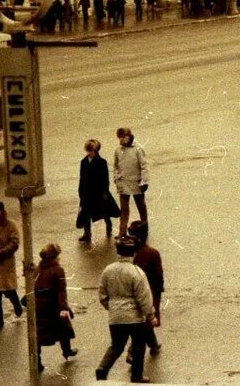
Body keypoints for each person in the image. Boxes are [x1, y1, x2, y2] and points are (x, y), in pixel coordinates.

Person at [95, 235, 155, 383]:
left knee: (116, 345)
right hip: (135, 318)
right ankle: (137, 376)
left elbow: (102, 294)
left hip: (115, 317)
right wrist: (150, 315)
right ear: (133, 253)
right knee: (139, 346)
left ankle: (103, 368)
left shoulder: (108, 271)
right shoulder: (137, 272)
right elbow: (144, 297)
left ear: (118, 252)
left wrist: (112, 307)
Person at [35, 243, 77, 372]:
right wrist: (64, 307)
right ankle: (67, 350)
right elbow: (61, 290)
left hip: (39, 305)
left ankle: (37, 361)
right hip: (53, 305)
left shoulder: (38, 268)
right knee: (64, 327)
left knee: (39, 334)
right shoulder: (58, 269)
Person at [127, 222, 164, 360]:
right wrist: (159, 292)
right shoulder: (152, 253)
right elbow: (158, 275)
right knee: (145, 321)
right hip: (149, 291)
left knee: (143, 320)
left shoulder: (127, 252)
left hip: (131, 292)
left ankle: (153, 344)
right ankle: (132, 352)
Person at [78, 138, 121, 243]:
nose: (89, 153)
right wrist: (80, 191)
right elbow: (82, 178)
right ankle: (87, 233)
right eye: (88, 151)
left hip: (99, 191)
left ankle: (108, 225)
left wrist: (105, 191)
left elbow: (105, 178)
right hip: (87, 192)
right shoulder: (83, 162)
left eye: (91, 151)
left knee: (104, 211)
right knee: (86, 213)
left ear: (96, 151)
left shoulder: (102, 162)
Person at [0, 201, 23, 330]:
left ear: (0, 211)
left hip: (4, 264)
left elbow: (14, 243)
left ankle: (17, 306)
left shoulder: (10, 225)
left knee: (9, 291)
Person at [114, 127, 149, 227]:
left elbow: (144, 166)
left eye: (123, 137)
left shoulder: (138, 149)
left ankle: (144, 226)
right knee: (124, 209)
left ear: (128, 136)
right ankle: (122, 232)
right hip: (123, 184)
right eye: (119, 138)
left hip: (136, 183)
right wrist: (116, 179)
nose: (121, 140)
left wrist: (144, 181)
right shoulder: (118, 150)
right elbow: (116, 166)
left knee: (141, 206)